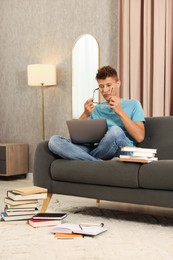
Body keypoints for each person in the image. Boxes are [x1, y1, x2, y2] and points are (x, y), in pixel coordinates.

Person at [48, 65, 145, 161]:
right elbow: (77, 137)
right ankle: (95, 162)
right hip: (97, 148)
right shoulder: (96, 108)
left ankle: (85, 158)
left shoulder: (133, 104)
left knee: (115, 131)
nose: (105, 90)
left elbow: (140, 137)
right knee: (54, 141)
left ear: (118, 83)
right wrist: (85, 114)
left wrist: (120, 111)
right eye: (101, 86)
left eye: (109, 85)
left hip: (121, 148)